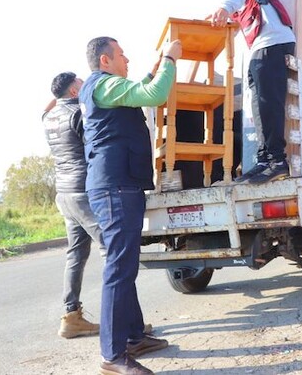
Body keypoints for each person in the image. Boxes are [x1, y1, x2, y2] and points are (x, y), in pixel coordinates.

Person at [80, 36, 182, 375]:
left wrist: (155, 71)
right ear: (105, 61)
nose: (128, 60)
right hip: (115, 187)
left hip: (118, 185)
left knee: (125, 265)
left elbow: (140, 88)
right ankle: (112, 356)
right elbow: (154, 95)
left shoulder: (107, 88)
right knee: (119, 270)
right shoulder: (104, 85)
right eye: (122, 55)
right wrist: (169, 59)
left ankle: (134, 337)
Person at [198, 0, 296, 184]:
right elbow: (237, 10)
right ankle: (265, 160)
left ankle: (277, 160)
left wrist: (223, 8)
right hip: (261, 47)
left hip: (273, 41)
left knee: (268, 102)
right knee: (258, 104)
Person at [42, 72, 103, 339]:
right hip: (82, 191)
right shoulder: (78, 114)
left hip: (64, 194)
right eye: (80, 83)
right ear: (74, 92)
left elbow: (45, 108)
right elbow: (93, 150)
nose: (84, 86)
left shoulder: (48, 118)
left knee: (76, 255)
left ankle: (71, 316)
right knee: (113, 250)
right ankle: (126, 325)